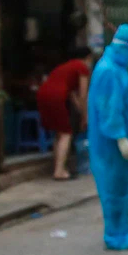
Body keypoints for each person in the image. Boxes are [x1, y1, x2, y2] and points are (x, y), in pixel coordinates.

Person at [85, 25, 128, 250]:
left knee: (123, 184)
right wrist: (120, 137)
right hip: (109, 141)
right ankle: (114, 233)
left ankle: (122, 226)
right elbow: (108, 109)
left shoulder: (119, 68)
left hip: (120, 135)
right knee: (113, 186)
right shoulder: (108, 70)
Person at [36, 47, 91, 180]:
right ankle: (59, 171)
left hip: (43, 94)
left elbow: (73, 95)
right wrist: (85, 117)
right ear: (88, 57)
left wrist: (81, 113)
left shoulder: (66, 67)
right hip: (57, 96)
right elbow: (83, 95)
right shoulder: (82, 68)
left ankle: (60, 167)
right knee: (67, 133)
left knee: (59, 133)